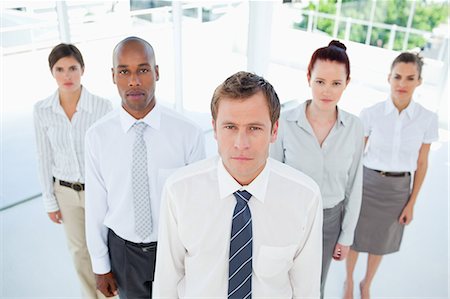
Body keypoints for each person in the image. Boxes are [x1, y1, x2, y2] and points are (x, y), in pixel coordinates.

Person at [154, 71, 323, 298]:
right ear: (214, 129)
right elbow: (167, 282)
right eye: (230, 127)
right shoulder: (178, 191)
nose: (241, 144)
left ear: (274, 131)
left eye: (254, 128)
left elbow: (306, 290)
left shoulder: (305, 197)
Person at [84, 36, 205, 298]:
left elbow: (198, 206)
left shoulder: (189, 134)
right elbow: (95, 205)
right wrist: (100, 265)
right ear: (113, 76)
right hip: (123, 253)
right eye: (124, 71)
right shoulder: (97, 137)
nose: (134, 80)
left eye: (143, 69)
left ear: (157, 72)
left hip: (173, 251)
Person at [270, 40, 364, 298]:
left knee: (314, 287)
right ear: (308, 78)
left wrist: (346, 236)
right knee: (277, 282)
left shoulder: (355, 127)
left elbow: (355, 183)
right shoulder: (285, 122)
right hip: (287, 217)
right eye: (320, 81)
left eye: (336, 83)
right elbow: (271, 176)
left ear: (347, 83)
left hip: (329, 222)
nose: (327, 91)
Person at [344, 52, 439, 299]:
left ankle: (366, 284)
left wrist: (412, 202)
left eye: (410, 78)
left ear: (419, 81)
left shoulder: (427, 119)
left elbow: (422, 162)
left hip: (398, 190)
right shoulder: (371, 113)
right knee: (355, 238)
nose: (402, 84)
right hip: (367, 184)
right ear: (389, 78)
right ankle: (349, 281)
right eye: (397, 77)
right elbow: (356, 156)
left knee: (381, 241)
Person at [33, 43, 112, 298]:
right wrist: (49, 201)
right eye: (60, 69)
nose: (67, 75)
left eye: (72, 68)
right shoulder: (42, 110)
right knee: (79, 252)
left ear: (83, 70)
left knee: (104, 247)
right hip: (65, 193)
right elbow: (43, 156)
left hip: (98, 192)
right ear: (52, 72)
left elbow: (110, 155)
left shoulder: (102, 107)